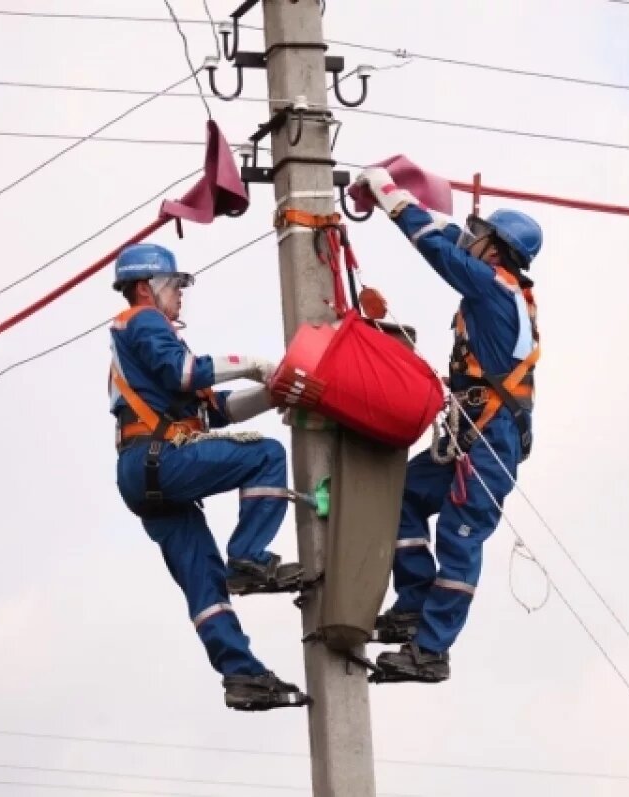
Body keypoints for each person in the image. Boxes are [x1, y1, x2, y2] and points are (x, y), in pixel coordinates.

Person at [354, 167, 543, 684]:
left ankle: (432, 650)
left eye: (480, 239)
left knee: (460, 538)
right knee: (403, 498)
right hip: (474, 432)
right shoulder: (501, 288)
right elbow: (454, 236)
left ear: (496, 251)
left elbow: (439, 247)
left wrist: (389, 196)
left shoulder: (491, 290)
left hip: (490, 439)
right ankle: (414, 603)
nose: (471, 242)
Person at [108, 242, 308, 711]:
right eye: (174, 285)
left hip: (142, 472)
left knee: (204, 581)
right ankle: (250, 556)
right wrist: (258, 365)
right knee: (267, 455)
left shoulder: (139, 343)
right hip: (157, 457)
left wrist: (270, 394)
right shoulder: (144, 321)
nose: (180, 295)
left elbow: (212, 410)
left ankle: (242, 675)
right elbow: (186, 375)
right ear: (145, 287)